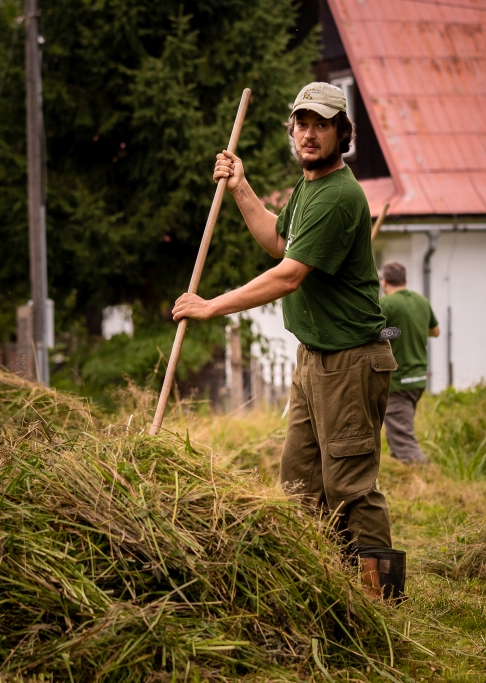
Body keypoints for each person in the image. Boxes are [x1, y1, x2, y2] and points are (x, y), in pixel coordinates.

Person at [171, 82, 401, 597]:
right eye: (301, 123)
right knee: (301, 483)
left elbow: (288, 274)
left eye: (321, 124)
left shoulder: (340, 194)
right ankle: (333, 590)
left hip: (350, 360)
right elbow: (278, 241)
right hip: (314, 357)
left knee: (350, 487)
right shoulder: (307, 189)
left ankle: (383, 602)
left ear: (343, 131)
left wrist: (212, 304)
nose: (309, 133)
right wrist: (241, 189)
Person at [378, 262, 440, 464]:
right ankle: (405, 475)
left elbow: (373, 333)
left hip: (399, 380)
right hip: (418, 379)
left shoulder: (387, 304)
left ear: (384, 282)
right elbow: (435, 331)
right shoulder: (422, 302)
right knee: (399, 431)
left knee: (403, 439)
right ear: (405, 280)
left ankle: (425, 477)